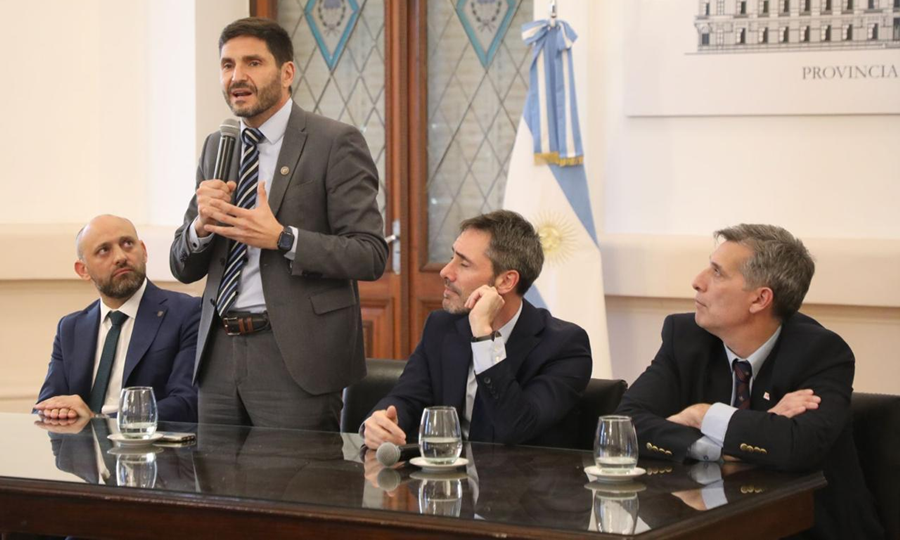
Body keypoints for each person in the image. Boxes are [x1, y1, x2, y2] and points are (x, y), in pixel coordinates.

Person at [170, 17, 387, 430]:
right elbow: (182, 267)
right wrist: (200, 227)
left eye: (253, 63)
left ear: (287, 73)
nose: (237, 76)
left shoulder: (333, 142)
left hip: (297, 358)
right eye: (228, 65)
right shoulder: (218, 145)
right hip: (218, 357)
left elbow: (370, 254)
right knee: (213, 474)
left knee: (293, 472)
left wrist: (284, 238)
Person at [616, 224, 883, 540]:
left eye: (717, 273)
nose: (698, 281)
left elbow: (798, 447)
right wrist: (721, 445)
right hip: (707, 526)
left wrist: (703, 415)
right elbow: (625, 426)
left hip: (807, 530)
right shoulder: (685, 338)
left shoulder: (820, 353)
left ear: (760, 299)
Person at [362, 210, 592, 449]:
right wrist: (383, 422)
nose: (445, 271)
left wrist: (484, 336)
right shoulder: (441, 326)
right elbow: (408, 397)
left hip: (522, 472)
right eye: (451, 257)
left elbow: (516, 427)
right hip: (447, 471)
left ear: (506, 281)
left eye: (464, 264)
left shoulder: (565, 347)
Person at [35, 215, 200, 423]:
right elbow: (46, 406)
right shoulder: (71, 328)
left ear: (144, 251)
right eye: (104, 250)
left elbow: (186, 403)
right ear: (83, 270)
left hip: (149, 441)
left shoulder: (186, 312)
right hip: (79, 443)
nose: (120, 257)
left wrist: (99, 420)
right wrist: (56, 413)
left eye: (128, 244)